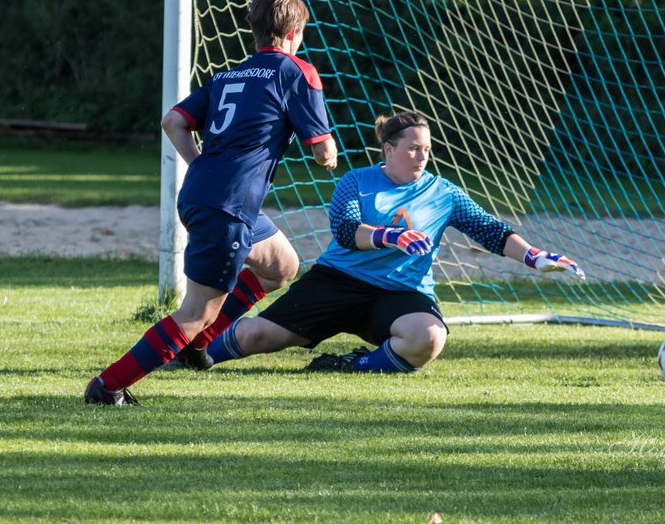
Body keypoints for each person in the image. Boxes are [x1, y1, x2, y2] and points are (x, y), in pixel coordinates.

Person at [85, 0, 338, 404]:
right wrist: (327, 155)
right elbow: (321, 149)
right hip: (229, 204)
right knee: (195, 311)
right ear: (295, 33)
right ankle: (109, 385)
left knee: (281, 266)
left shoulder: (228, 75)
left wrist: (199, 161)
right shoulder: (297, 71)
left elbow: (173, 122)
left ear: (254, 32)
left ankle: (198, 344)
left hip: (208, 193)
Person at [201, 110, 586, 374]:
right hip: (338, 281)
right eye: (413, 148)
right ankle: (193, 354)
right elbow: (346, 231)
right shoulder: (356, 181)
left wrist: (534, 257)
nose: (422, 157)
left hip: (401, 292)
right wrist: (392, 236)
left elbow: (490, 230)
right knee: (254, 335)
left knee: (428, 339)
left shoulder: (444, 193)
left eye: (427, 150)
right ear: (389, 149)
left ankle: (352, 365)